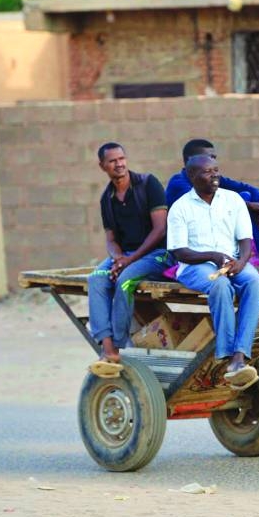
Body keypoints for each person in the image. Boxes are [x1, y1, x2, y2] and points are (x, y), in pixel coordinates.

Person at [167, 154, 259, 390]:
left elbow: (245, 240)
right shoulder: (180, 208)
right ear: (191, 176)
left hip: (230, 261)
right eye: (207, 172)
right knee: (220, 285)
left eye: (216, 170)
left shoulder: (232, 200)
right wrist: (212, 256)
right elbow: (180, 252)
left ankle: (240, 356)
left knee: (254, 281)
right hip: (195, 266)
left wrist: (241, 262)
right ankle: (226, 353)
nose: (214, 175)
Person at [87, 142, 174, 378]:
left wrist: (128, 261)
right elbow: (111, 239)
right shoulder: (107, 198)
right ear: (102, 166)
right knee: (95, 279)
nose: (120, 164)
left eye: (122, 158)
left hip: (158, 254)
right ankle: (108, 350)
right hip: (126, 256)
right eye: (113, 161)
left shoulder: (147, 183)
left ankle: (118, 343)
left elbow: (160, 230)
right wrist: (117, 258)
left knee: (125, 280)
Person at [165, 138, 259, 259]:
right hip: (195, 246)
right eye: (209, 157)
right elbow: (205, 205)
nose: (212, 161)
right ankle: (256, 255)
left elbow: (252, 190)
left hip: (218, 236)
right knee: (242, 201)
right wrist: (245, 204)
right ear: (190, 161)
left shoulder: (214, 178)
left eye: (214, 158)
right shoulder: (178, 183)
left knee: (246, 196)